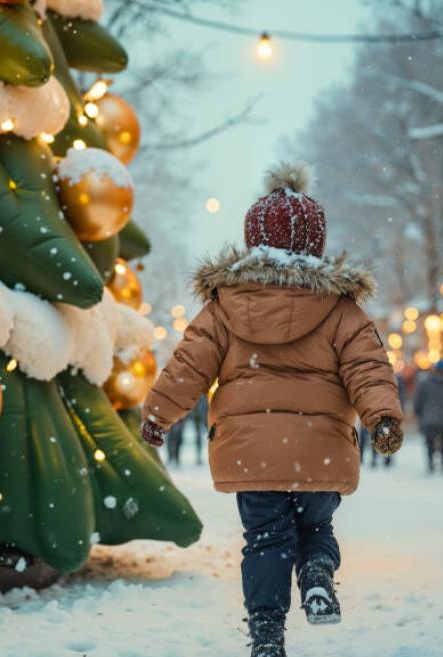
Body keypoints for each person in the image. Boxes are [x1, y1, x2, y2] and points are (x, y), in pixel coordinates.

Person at [137, 162, 404, 657]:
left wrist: (158, 416)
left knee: (265, 539)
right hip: (320, 450)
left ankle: (266, 634)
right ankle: (318, 573)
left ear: (252, 238)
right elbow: (368, 367)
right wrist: (382, 418)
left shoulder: (225, 304)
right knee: (316, 527)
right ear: (317, 243)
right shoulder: (342, 309)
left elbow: (189, 364)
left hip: (250, 452)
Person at [414, 360, 443, 474]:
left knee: (429, 443)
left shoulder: (425, 383)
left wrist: (419, 414)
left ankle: (431, 463)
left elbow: (418, 402)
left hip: (428, 419)